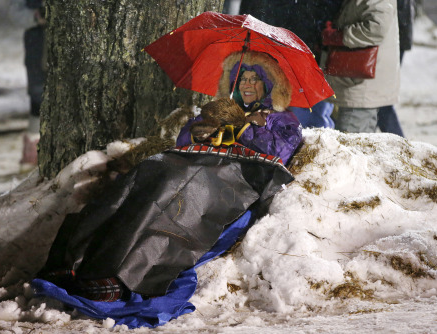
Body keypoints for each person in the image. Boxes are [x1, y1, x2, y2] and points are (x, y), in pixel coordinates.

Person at [35, 50, 302, 303]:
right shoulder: (222, 106)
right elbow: (184, 140)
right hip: (190, 161)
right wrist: (202, 126)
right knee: (149, 170)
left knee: (175, 191)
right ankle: (72, 259)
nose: (247, 83)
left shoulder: (280, 118)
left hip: (236, 178)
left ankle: (120, 275)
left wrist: (244, 127)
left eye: (255, 79)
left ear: (268, 85)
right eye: (242, 77)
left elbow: (280, 150)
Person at [238, 0, 343, 129]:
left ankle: (308, 134)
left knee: (308, 106)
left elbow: (331, 11)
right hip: (276, 39)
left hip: (304, 46)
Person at [323, 0, 400, 133]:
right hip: (356, 82)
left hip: (362, 85)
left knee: (350, 146)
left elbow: (377, 27)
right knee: (355, 144)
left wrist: (341, 36)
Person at [377, 0, 415, 137]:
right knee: (379, 101)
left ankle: (402, 147)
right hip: (394, 36)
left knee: (379, 102)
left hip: (390, 40)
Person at [20, 0, 46, 166]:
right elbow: (15, 12)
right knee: (37, 96)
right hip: (37, 47)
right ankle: (33, 153)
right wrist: (36, 18)